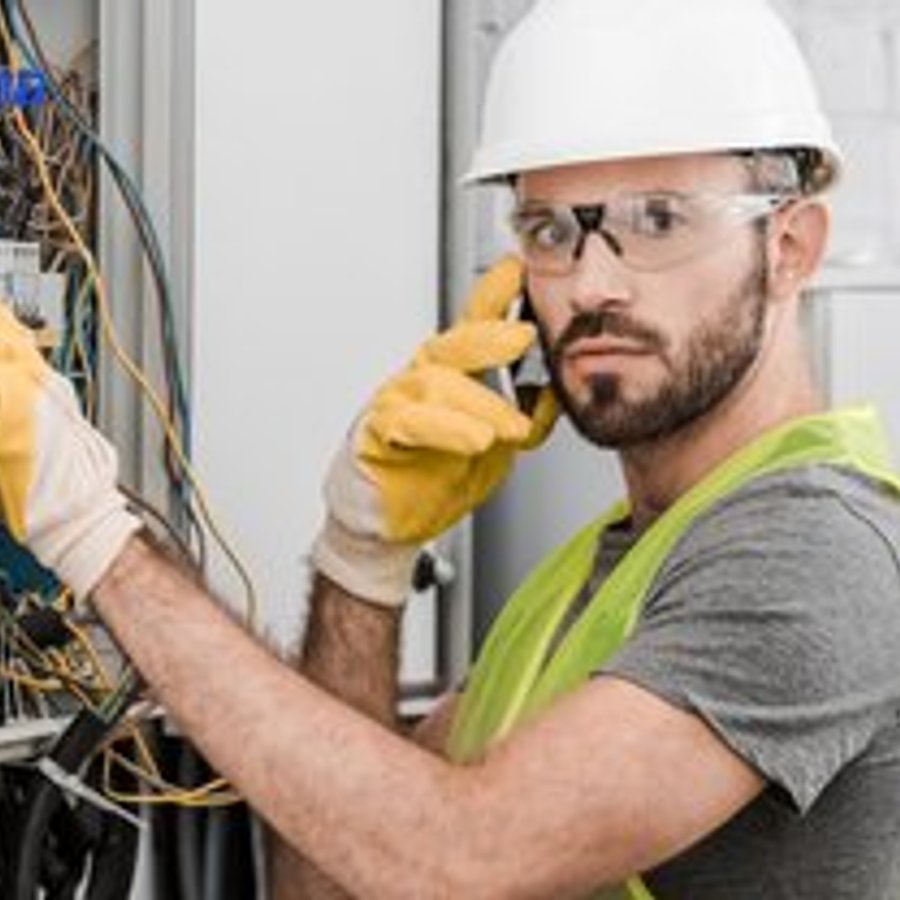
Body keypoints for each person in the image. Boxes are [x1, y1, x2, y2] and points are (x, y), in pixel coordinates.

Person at [2, 0, 900, 896]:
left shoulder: (818, 553)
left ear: (790, 247)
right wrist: (362, 560)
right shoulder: (587, 584)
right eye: (551, 231)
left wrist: (91, 531)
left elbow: (460, 858)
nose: (591, 283)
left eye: (658, 220)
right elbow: (338, 879)